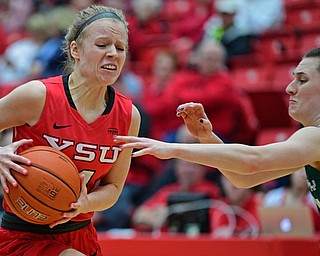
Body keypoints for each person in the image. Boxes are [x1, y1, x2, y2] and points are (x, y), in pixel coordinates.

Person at [0, 4, 140, 256]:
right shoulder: (38, 96)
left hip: (81, 234)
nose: (113, 53)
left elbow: (113, 188)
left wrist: (86, 202)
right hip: (24, 235)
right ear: (75, 49)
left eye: (120, 48)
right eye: (102, 45)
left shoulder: (129, 115)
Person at [114, 47, 320, 216]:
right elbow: (244, 178)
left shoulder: (315, 136)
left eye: (302, 80)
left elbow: (254, 160)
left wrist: (172, 149)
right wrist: (206, 138)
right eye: (294, 78)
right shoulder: (311, 139)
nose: (290, 88)